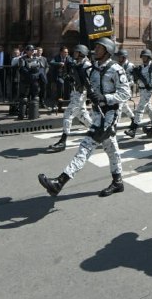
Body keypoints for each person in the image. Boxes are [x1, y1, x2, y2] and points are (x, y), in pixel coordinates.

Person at [38, 37, 131, 198]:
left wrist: (104, 98)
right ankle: (118, 182)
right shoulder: (93, 68)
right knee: (111, 148)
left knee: (86, 146)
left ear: (108, 51)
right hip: (97, 114)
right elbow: (85, 86)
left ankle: (60, 181)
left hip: (110, 115)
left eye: (99, 48)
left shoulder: (116, 69)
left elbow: (126, 93)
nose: (96, 50)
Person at [48, 44, 93, 152]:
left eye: (76, 52)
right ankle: (96, 132)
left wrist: (92, 95)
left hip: (81, 93)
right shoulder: (78, 63)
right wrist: (70, 77)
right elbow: (75, 76)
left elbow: (91, 80)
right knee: (82, 115)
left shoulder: (86, 64)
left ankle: (63, 141)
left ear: (82, 53)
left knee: (68, 115)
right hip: (76, 92)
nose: (74, 54)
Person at [125, 49, 152, 137]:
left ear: (149, 57)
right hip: (141, 89)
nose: (143, 58)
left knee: (140, 108)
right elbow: (135, 78)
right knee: (148, 108)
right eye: (142, 56)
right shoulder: (141, 67)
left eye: (145, 56)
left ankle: (133, 129)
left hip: (148, 90)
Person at [16, 45, 47, 120]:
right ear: (26, 51)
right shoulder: (22, 59)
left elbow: (41, 68)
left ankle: (35, 113)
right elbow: (22, 69)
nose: (32, 51)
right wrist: (30, 75)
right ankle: (22, 114)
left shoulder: (37, 59)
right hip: (25, 81)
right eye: (30, 50)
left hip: (34, 81)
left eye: (33, 50)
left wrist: (37, 75)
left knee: (35, 97)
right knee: (24, 99)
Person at [115, 49, 136, 125]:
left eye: (120, 57)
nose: (118, 59)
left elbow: (133, 80)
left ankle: (115, 125)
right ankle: (134, 118)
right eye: (118, 57)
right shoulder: (117, 65)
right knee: (124, 106)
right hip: (118, 90)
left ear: (124, 57)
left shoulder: (131, 66)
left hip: (126, 90)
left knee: (119, 107)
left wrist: (125, 84)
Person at [48, 46, 72, 113]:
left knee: (68, 89)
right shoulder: (56, 57)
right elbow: (51, 63)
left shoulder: (68, 58)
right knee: (59, 87)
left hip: (66, 76)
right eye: (65, 52)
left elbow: (72, 62)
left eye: (67, 52)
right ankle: (58, 105)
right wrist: (59, 63)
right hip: (58, 76)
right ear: (61, 52)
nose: (66, 53)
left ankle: (65, 104)